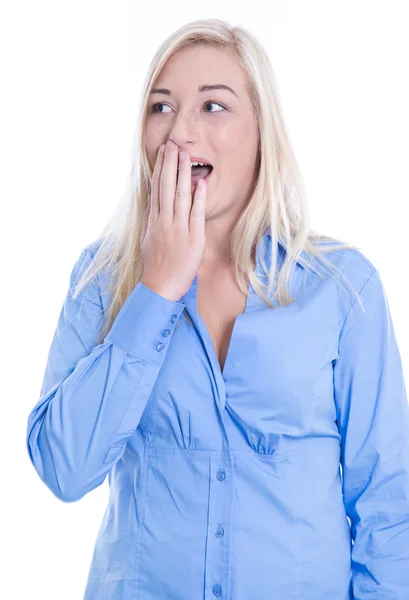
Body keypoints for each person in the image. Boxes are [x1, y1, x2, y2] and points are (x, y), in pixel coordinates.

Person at [26, 18, 409, 600]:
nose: (180, 131)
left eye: (213, 106)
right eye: (161, 107)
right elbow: (64, 468)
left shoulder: (343, 289)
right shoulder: (102, 280)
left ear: (262, 132)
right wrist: (155, 291)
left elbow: (387, 506)